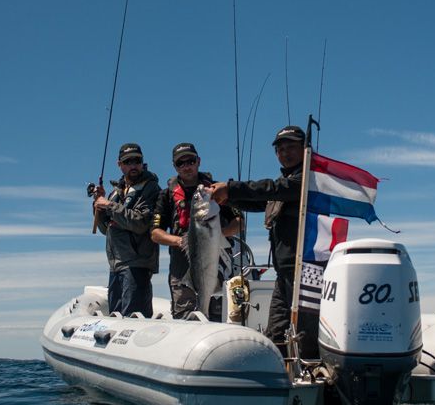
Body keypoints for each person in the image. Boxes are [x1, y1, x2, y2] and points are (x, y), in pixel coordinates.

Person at [210, 125, 318, 358]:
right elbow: (261, 200)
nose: (285, 152)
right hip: (284, 272)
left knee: (305, 332)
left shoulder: (309, 179)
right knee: (276, 332)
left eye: (291, 147)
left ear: (306, 149)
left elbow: (273, 189)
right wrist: (228, 198)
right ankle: (281, 378)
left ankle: (316, 379)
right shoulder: (286, 182)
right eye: (280, 149)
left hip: (305, 270)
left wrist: (232, 187)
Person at [150, 142, 241, 320]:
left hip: (218, 263)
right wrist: (180, 241)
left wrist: (219, 235)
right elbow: (155, 232)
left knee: (218, 315)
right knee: (184, 317)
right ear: (174, 166)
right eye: (180, 163)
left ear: (198, 161)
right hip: (181, 268)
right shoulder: (166, 195)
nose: (186, 166)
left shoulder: (216, 188)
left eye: (190, 161)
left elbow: (239, 221)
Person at [93, 143, 159, 318]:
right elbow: (105, 228)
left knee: (134, 319)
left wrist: (109, 206)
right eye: (128, 162)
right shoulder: (116, 192)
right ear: (120, 165)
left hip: (137, 263)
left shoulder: (150, 188)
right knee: (116, 318)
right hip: (116, 264)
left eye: (137, 161)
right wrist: (97, 207)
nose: (133, 165)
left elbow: (141, 223)